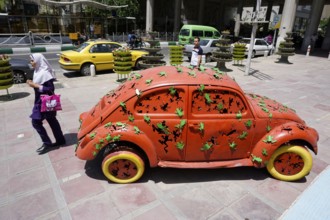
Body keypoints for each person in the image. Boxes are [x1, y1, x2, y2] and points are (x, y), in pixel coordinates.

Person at [27, 53, 66, 154]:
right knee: (52, 120)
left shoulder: (45, 74)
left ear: (38, 61)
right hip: (41, 101)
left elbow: (50, 89)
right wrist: (33, 83)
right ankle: (60, 140)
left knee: (35, 122)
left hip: (43, 102)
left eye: (32, 60)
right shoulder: (38, 71)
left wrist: (35, 85)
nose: (31, 62)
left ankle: (47, 143)